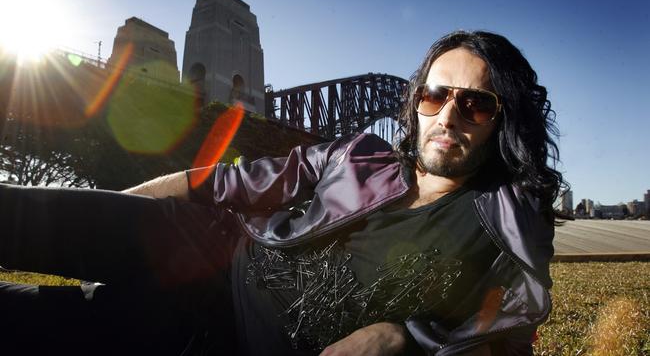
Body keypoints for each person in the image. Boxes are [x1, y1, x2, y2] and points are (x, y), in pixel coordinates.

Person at [0, 30, 563, 355]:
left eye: (476, 103)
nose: (448, 115)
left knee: (25, 323)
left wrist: (405, 337)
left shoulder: (510, 213)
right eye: (435, 96)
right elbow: (217, 182)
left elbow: (510, 333)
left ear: (502, 119)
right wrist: (113, 214)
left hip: (219, 339)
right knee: (25, 212)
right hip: (206, 248)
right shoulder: (357, 154)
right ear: (416, 102)